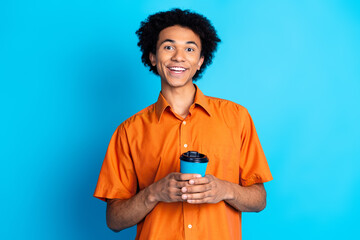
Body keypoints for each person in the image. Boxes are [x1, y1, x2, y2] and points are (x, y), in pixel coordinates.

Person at [94, 8, 273, 240]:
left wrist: (224, 189)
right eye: (168, 47)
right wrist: (154, 192)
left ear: (200, 61)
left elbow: (259, 200)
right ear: (153, 57)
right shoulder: (129, 131)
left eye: (189, 49)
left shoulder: (237, 117)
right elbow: (114, 220)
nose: (179, 57)